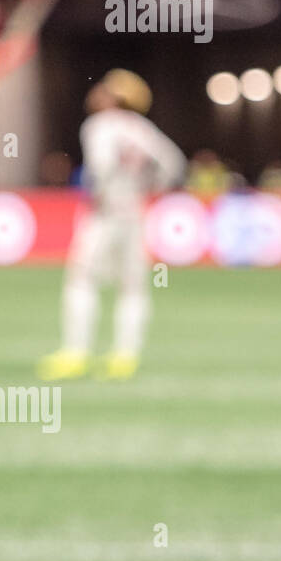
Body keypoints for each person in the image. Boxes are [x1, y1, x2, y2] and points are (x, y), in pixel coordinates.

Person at [38, 70, 185, 382]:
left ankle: (76, 353)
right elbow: (173, 165)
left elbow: (101, 166)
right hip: (134, 211)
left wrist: (100, 193)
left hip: (105, 213)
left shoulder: (100, 125)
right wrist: (146, 187)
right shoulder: (144, 130)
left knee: (82, 280)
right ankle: (124, 356)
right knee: (132, 287)